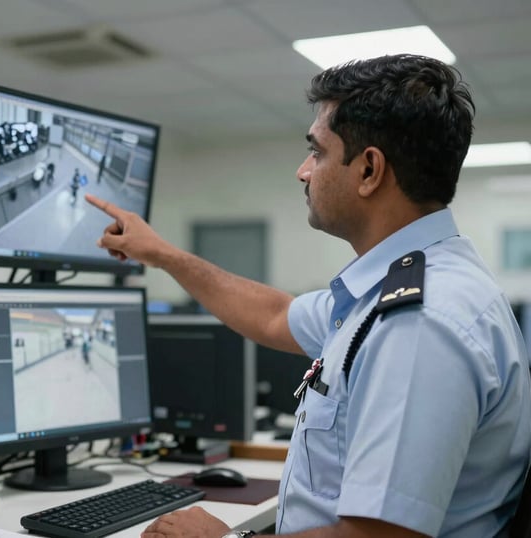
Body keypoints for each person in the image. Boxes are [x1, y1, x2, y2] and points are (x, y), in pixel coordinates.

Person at [86, 54, 531, 538]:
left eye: (316, 152)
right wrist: (162, 254)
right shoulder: (394, 293)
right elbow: (275, 315)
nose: (303, 171)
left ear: (368, 171)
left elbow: (380, 537)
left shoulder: (420, 324)